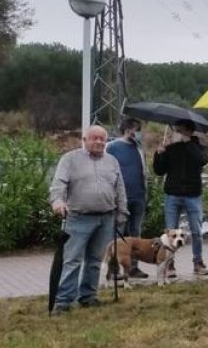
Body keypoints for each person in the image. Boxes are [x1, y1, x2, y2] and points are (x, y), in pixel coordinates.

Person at [48, 125, 129, 315]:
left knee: (95, 260)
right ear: (84, 140)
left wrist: (122, 213)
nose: (99, 142)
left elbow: (120, 189)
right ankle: (63, 301)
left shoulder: (112, 161)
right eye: (95, 138)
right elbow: (58, 184)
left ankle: (88, 297)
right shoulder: (70, 159)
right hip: (78, 218)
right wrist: (58, 202)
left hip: (106, 218)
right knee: (72, 260)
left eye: (103, 139)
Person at [152, 119, 208, 277]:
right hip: (172, 193)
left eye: (179, 130)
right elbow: (159, 170)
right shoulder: (171, 148)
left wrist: (188, 143)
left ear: (188, 131)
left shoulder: (199, 146)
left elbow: (203, 160)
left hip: (193, 194)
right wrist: (158, 154)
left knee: (197, 231)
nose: (176, 133)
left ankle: (198, 262)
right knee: (170, 231)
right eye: (175, 130)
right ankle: (169, 264)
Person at [106, 117, 148, 279]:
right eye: (136, 129)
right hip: (119, 199)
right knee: (118, 235)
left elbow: (143, 172)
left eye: (139, 129)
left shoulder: (139, 148)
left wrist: (146, 193)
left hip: (138, 196)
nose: (138, 133)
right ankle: (115, 269)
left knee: (136, 234)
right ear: (127, 129)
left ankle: (133, 267)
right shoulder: (112, 147)